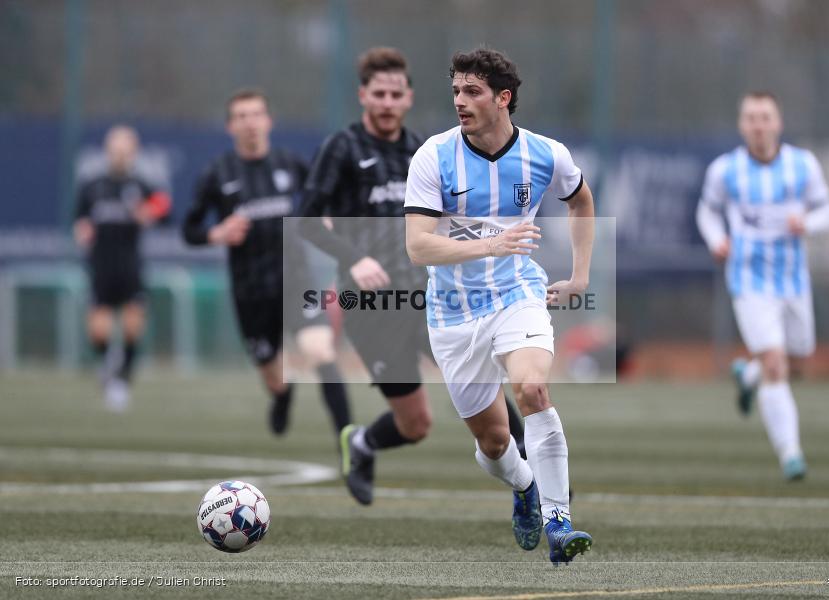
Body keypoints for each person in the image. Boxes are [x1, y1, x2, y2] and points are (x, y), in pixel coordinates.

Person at [299, 47, 529, 506]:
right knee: (415, 424)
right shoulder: (341, 149)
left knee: (488, 387)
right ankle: (361, 443)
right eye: (378, 94)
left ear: (408, 98)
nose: (387, 102)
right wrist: (354, 259)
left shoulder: (425, 151)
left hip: (431, 298)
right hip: (371, 307)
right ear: (363, 96)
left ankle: (539, 479)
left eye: (395, 94)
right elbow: (306, 221)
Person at [404, 48, 595, 565]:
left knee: (532, 389)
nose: (460, 101)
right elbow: (418, 246)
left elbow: (580, 199)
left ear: (503, 98)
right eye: (456, 91)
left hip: (518, 294)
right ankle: (525, 485)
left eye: (473, 92)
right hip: (452, 312)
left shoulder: (545, 154)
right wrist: (490, 244)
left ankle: (559, 522)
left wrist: (580, 275)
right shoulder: (433, 156)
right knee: (493, 443)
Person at [182, 89, 351, 439]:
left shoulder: (290, 164)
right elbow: (189, 229)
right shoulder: (218, 174)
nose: (250, 123)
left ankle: (351, 444)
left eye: (256, 114)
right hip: (251, 291)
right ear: (230, 126)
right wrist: (217, 233)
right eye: (241, 116)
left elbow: (325, 195)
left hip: (297, 281)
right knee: (273, 376)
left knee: (321, 351)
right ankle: (283, 394)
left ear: (268, 121)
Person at [696, 91, 829, 481]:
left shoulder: (802, 164)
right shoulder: (726, 170)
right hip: (749, 280)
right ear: (742, 125)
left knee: (798, 360)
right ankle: (791, 454)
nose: (759, 125)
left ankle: (749, 375)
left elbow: (826, 210)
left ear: (778, 123)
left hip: (793, 280)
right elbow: (707, 210)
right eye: (752, 118)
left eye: (765, 117)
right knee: (776, 364)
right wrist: (716, 239)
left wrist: (807, 223)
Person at [74, 125, 171, 411]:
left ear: (134, 152)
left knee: (132, 327)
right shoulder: (92, 186)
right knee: (99, 331)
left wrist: (150, 213)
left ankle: (121, 381)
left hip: (130, 265)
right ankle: (108, 361)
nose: (120, 154)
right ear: (107, 151)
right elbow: (80, 219)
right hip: (100, 265)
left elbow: (164, 209)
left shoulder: (140, 185)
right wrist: (82, 230)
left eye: (125, 150)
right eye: (115, 149)